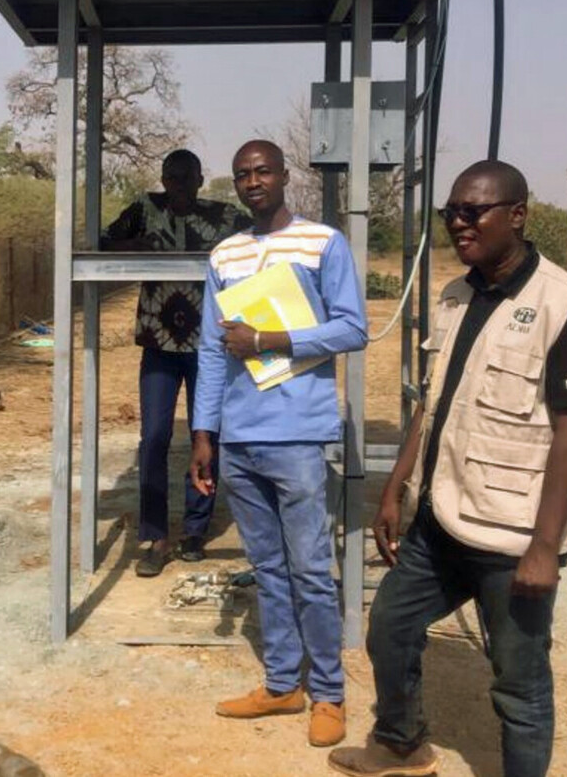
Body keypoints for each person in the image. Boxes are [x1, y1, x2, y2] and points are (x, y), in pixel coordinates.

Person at [329, 160, 567, 777]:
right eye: (450, 212)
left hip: (512, 535)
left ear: (517, 215)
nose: (459, 223)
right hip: (441, 520)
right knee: (391, 627)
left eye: (472, 211)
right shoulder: (455, 296)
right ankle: (400, 743)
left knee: (520, 683)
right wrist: (397, 486)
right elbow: (432, 405)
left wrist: (544, 546)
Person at [190, 139, 368, 749]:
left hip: (298, 433)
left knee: (312, 571)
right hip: (239, 437)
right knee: (267, 568)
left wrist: (268, 338)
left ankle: (329, 694)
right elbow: (212, 353)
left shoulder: (322, 243)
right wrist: (204, 433)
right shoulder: (225, 254)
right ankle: (282, 683)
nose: (253, 181)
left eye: (263, 170)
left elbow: (352, 328)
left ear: (285, 175)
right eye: (242, 174)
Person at [102, 148, 251, 577]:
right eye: (172, 178)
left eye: (187, 179)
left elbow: (260, 243)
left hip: (209, 347)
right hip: (160, 344)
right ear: (163, 179)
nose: (179, 186)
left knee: (208, 435)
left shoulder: (223, 218)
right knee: (154, 438)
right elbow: (106, 242)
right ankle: (154, 536)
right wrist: (137, 246)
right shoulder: (145, 210)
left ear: (201, 180)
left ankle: (193, 532)